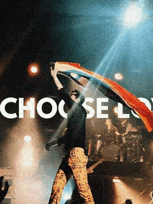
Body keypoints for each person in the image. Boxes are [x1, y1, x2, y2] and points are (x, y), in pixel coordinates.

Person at [48, 66, 94, 204]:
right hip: (70, 154)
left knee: (83, 190)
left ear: (77, 100)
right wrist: (54, 143)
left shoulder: (78, 110)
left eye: (72, 95)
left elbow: (62, 93)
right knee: (57, 186)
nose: (70, 95)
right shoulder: (75, 116)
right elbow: (70, 137)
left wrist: (54, 77)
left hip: (77, 155)